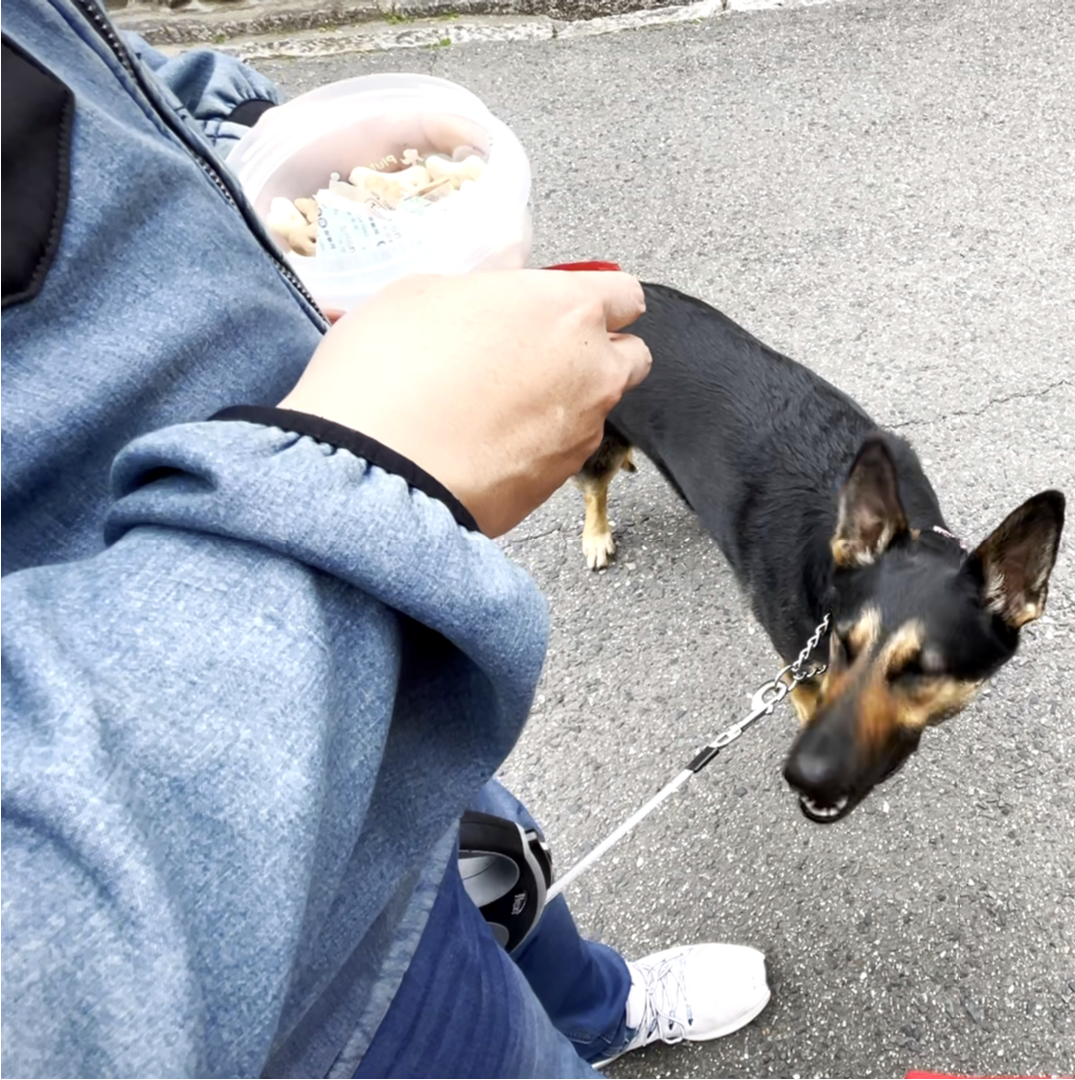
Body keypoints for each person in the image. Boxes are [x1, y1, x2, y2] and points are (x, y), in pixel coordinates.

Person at [1, 3, 770, 1076]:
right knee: (464, 994)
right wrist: (356, 472)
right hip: (283, 979)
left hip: (368, 638)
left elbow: (83, 82)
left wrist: (255, 136)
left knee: (496, 856)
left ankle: (597, 1010)